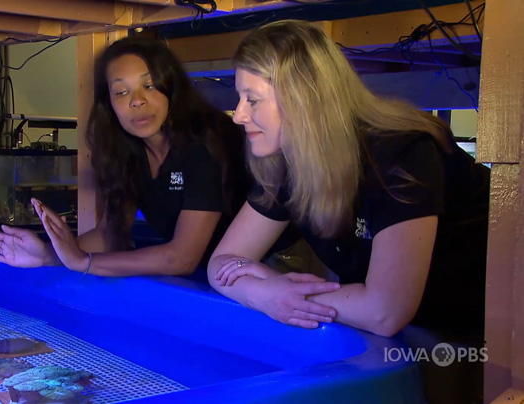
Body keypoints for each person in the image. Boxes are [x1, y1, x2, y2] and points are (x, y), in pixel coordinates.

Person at [207, 20, 488, 403]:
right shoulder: (287, 161)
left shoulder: (401, 152)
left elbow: (386, 310)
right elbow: (221, 263)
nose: (238, 115)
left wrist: (286, 297)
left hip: (487, 335)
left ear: (302, 97)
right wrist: (264, 293)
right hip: (406, 334)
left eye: (251, 99)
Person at [0, 35, 253, 282]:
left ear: (171, 89)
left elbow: (181, 258)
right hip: (210, 280)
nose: (136, 100)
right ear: (110, 105)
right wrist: (50, 254)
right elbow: (110, 234)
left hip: (262, 272)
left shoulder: (202, 148)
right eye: (121, 91)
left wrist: (82, 262)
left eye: (149, 85)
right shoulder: (127, 154)